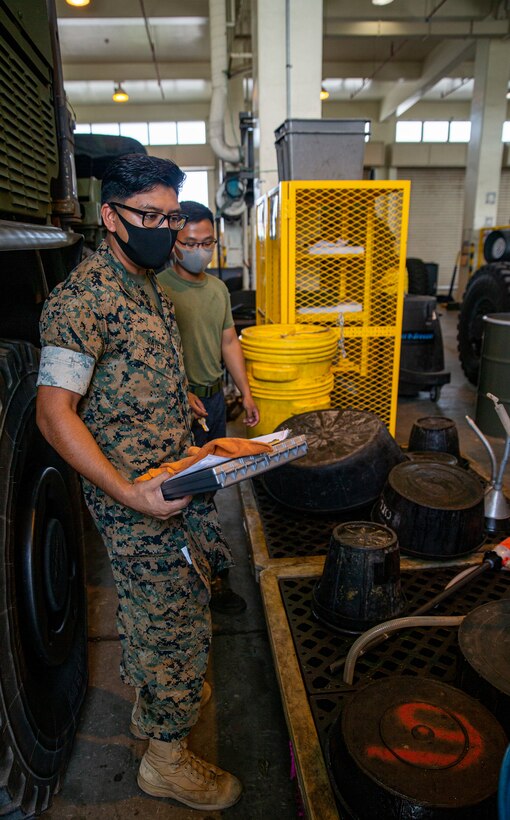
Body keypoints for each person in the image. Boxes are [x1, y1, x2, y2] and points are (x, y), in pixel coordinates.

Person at [35, 154, 242, 811]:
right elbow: (53, 413)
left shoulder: (145, 280)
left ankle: (162, 694)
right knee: (167, 616)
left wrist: (175, 392)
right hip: (135, 494)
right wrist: (126, 493)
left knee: (187, 590)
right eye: (148, 216)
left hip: (177, 471)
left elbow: (144, 355)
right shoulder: (81, 300)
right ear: (110, 216)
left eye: (171, 216)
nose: (164, 229)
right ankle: (164, 760)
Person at [159, 200, 260, 615]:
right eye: (191, 242)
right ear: (174, 243)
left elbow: (228, 342)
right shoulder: (158, 287)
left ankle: (211, 571)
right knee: (187, 491)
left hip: (214, 401)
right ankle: (205, 580)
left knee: (212, 485)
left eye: (208, 242)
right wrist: (181, 391)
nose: (201, 250)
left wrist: (246, 392)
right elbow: (153, 353)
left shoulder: (218, 289)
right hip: (179, 406)